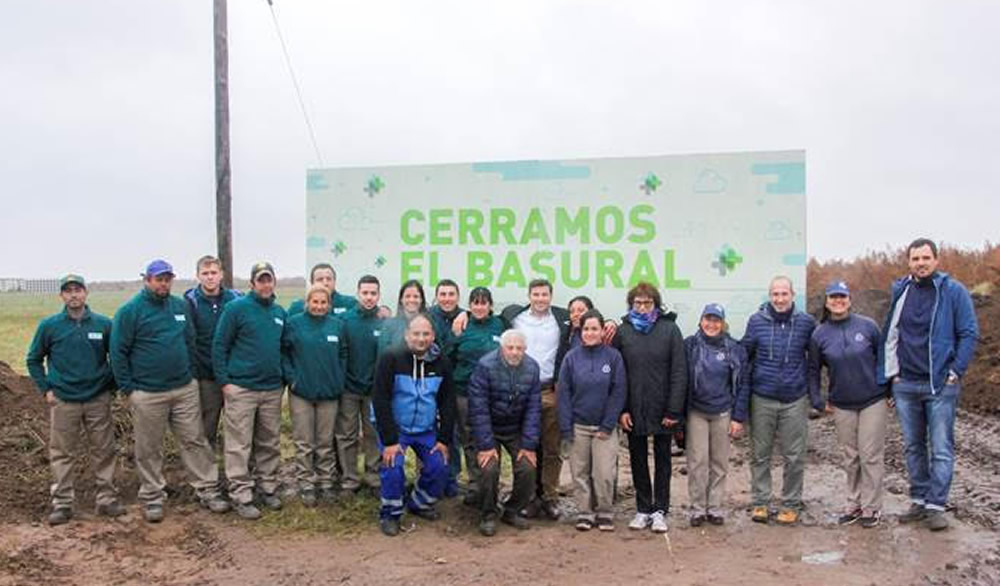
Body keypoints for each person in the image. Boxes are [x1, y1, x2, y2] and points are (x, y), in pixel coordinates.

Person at [110, 259, 229, 522]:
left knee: (195, 440)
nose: (163, 283)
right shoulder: (130, 311)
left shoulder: (179, 306)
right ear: (147, 280)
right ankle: (152, 496)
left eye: (167, 279)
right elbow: (118, 352)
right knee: (149, 447)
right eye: (158, 279)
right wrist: (129, 389)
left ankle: (207, 489)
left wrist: (189, 375)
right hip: (148, 393)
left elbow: (190, 341)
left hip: (184, 388)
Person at [878, 238, 979, 531]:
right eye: (915, 258)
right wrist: (891, 376)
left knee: (941, 447)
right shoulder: (902, 291)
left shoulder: (953, 291)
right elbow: (891, 334)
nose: (920, 263)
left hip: (940, 385)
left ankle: (936, 505)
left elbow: (969, 332)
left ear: (936, 260)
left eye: (925, 258)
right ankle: (919, 499)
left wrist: (955, 371)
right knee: (912, 446)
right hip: (906, 383)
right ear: (908, 262)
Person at [26, 274, 123, 525]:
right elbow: (33, 359)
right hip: (64, 399)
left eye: (77, 290)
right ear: (62, 296)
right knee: (62, 452)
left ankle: (107, 499)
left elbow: (118, 357)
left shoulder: (103, 324)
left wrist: (109, 387)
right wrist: (46, 389)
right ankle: (62, 503)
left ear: (85, 293)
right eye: (68, 291)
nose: (73, 295)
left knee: (104, 449)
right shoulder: (50, 326)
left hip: (97, 399)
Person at [741, 276, 819, 525]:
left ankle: (790, 503)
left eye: (784, 294)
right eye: (775, 294)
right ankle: (760, 502)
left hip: (794, 398)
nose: (780, 299)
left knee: (794, 455)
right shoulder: (756, 321)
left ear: (793, 295)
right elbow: (746, 354)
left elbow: (815, 362)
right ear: (770, 296)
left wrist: (815, 396)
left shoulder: (806, 323)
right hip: (762, 396)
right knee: (760, 454)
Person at [213, 261, 287, 520]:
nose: (266, 284)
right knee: (239, 444)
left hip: (271, 389)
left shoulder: (279, 312)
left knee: (269, 442)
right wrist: (225, 382)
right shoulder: (236, 309)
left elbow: (284, 348)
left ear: (273, 282)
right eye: (261, 280)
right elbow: (220, 345)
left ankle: (267, 488)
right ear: (252, 283)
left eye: (269, 279)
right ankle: (241, 495)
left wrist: (283, 379)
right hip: (241, 388)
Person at [809, 281, 886, 528]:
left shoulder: (868, 326)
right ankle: (853, 503)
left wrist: (889, 390)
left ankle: (872, 507)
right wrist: (818, 400)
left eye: (842, 297)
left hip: (872, 400)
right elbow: (813, 371)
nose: (838, 301)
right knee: (850, 456)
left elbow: (884, 358)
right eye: (833, 297)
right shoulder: (820, 334)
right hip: (842, 403)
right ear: (827, 301)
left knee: (870, 455)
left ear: (849, 300)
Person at [372, 313, 457, 536]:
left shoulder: (442, 362)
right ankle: (390, 513)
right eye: (416, 333)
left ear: (433, 336)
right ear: (407, 335)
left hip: (425, 429)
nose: (421, 338)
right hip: (396, 429)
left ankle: (419, 503)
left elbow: (447, 401)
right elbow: (380, 398)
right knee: (393, 467)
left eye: (426, 334)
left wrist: (443, 439)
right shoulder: (391, 357)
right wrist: (390, 441)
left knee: (440, 465)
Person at [612, 282, 686, 533]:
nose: (642, 308)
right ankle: (643, 508)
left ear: (656, 303)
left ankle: (660, 510)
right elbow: (618, 374)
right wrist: (622, 409)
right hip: (634, 408)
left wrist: (674, 410)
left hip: (663, 408)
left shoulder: (670, 329)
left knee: (664, 460)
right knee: (637, 458)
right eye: (638, 303)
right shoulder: (624, 332)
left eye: (647, 303)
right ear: (631, 305)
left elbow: (679, 372)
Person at [558, 310, 627, 532]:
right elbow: (564, 394)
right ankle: (585, 513)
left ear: (601, 331)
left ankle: (604, 512)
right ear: (581, 331)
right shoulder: (571, 358)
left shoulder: (613, 357)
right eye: (586, 329)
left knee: (604, 473)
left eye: (594, 328)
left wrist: (608, 424)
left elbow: (618, 391)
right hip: (578, 426)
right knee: (580, 473)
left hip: (604, 429)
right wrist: (566, 427)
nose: (590, 333)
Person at [468, 329, 541, 536]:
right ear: (502, 348)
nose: (515, 352)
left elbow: (533, 409)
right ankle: (488, 513)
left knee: (528, 467)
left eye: (519, 348)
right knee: (489, 468)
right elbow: (478, 409)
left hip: (515, 428)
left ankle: (512, 510)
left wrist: (528, 445)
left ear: (525, 350)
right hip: (488, 427)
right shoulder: (485, 366)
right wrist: (485, 446)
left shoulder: (532, 368)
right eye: (510, 348)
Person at [282, 284, 349, 506]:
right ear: (307, 303)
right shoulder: (294, 324)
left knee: (324, 442)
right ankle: (306, 484)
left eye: (323, 302)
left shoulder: (337, 326)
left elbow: (343, 354)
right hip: (301, 393)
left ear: (329, 305)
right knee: (304, 442)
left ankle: (326, 482)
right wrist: (293, 379)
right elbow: (285, 353)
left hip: (329, 394)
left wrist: (338, 380)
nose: (319, 306)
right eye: (315, 302)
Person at [683, 303, 749, 527]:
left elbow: (742, 384)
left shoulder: (734, 348)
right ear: (701, 321)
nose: (712, 324)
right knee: (697, 462)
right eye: (708, 319)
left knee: (719, 463)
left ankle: (716, 508)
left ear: (723, 323)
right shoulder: (690, 346)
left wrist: (738, 417)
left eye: (716, 320)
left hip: (723, 412)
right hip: (696, 412)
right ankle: (697, 509)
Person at [449, 286, 505, 506]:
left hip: (493, 395)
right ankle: (475, 485)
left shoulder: (501, 324)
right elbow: (449, 356)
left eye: (484, 303)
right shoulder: (461, 326)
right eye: (475, 303)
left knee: (491, 440)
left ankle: (492, 487)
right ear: (470, 305)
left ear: (490, 306)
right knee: (469, 440)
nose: (479, 307)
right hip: (464, 393)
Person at [183, 255, 241, 450]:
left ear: (221, 275)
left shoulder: (234, 299)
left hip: (233, 375)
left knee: (238, 427)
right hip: (206, 376)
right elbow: (189, 339)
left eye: (213, 273)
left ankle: (238, 470)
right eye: (205, 273)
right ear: (198, 276)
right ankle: (206, 472)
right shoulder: (190, 301)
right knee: (206, 427)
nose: (210, 277)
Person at [337, 275, 383, 497]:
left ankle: (373, 477)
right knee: (347, 435)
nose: (369, 297)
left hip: (373, 391)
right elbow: (341, 354)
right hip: (349, 389)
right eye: (365, 293)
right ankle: (349, 479)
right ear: (358, 294)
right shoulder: (345, 321)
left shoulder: (383, 322)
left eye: (373, 293)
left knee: (372, 434)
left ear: (378, 295)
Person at [431, 279, 463, 497]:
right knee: (431, 432)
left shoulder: (466, 316)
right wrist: (453, 336)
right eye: (443, 294)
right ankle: (433, 477)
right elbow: (437, 351)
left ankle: (452, 478)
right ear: (437, 296)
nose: (447, 298)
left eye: (451, 294)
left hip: (455, 385)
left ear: (458, 297)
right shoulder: (428, 317)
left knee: (453, 433)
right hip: (430, 382)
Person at [287, 263, 358, 316]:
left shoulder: (350, 304)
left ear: (334, 281)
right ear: (312, 283)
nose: (325, 283)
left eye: (329, 279)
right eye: (320, 279)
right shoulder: (298, 307)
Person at [377, 279, 428, 354]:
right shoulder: (389, 325)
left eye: (416, 296)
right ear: (401, 299)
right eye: (407, 296)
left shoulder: (430, 325)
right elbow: (382, 355)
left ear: (421, 300)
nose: (411, 300)